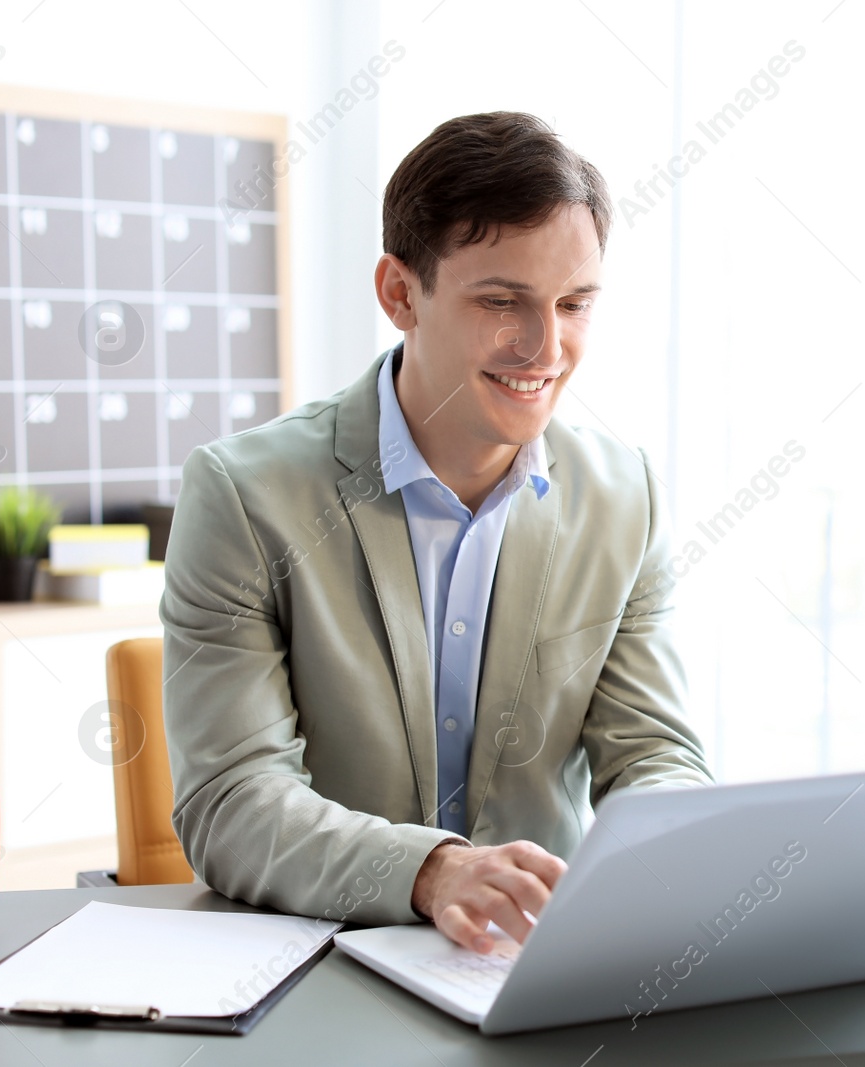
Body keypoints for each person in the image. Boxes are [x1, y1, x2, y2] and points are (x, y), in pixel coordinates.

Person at [161, 111, 712, 955]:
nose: (544, 346)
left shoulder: (623, 494)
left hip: (532, 967)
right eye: (502, 301)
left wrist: (680, 851)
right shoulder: (244, 495)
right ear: (399, 293)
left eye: (574, 304)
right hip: (320, 962)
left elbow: (653, 756)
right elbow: (232, 800)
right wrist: (432, 871)